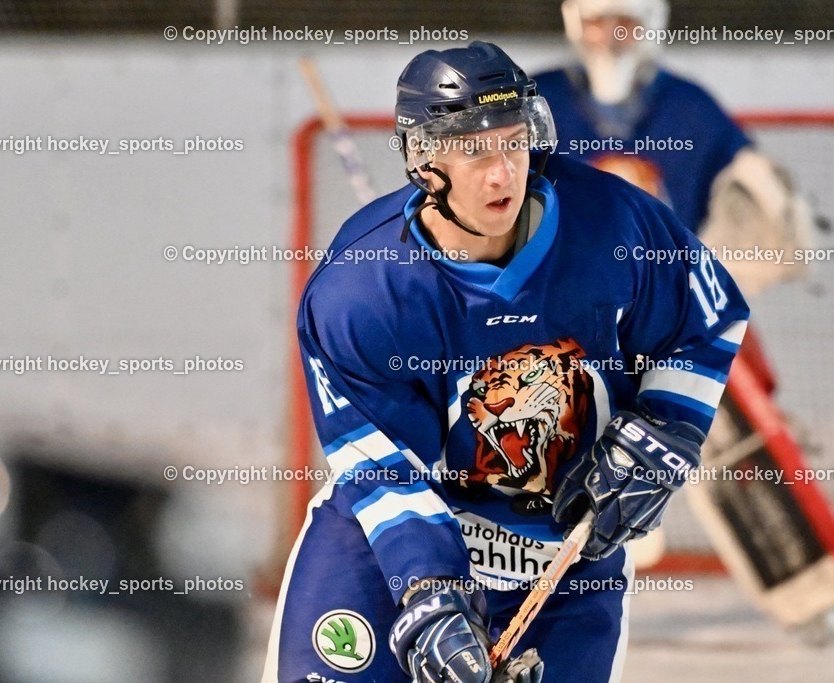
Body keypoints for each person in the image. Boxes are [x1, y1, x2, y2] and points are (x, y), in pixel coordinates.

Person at [263, 40, 748, 683]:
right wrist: (430, 590)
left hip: (565, 559)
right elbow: (375, 460)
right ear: (424, 159)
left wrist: (663, 428)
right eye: (474, 150)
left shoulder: (612, 227)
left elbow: (707, 319)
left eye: (513, 142)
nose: (503, 174)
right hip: (388, 557)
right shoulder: (361, 290)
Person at [538, 0, 816, 296]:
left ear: (648, 24)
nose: (609, 38)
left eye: (622, 24)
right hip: (559, 306)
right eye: (597, 23)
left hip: (667, 307)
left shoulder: (690, 109)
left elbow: (746, 175)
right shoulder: (539, 100)